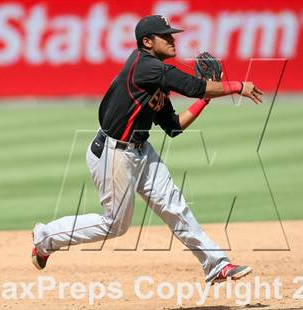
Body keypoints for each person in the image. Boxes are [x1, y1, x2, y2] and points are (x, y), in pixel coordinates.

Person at [31, 15, 263, 285]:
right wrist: (238, 87)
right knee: (115, 225)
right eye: (166, 36)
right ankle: (45, 238)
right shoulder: (145, 66)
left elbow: (174, 126)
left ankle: (216, 265)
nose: (172, 39)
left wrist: (206, 100)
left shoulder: (156, 78)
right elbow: (193, 86)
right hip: (113, 154)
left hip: (141, 151)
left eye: (171, 34)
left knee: (175, 207)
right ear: (147, 42)